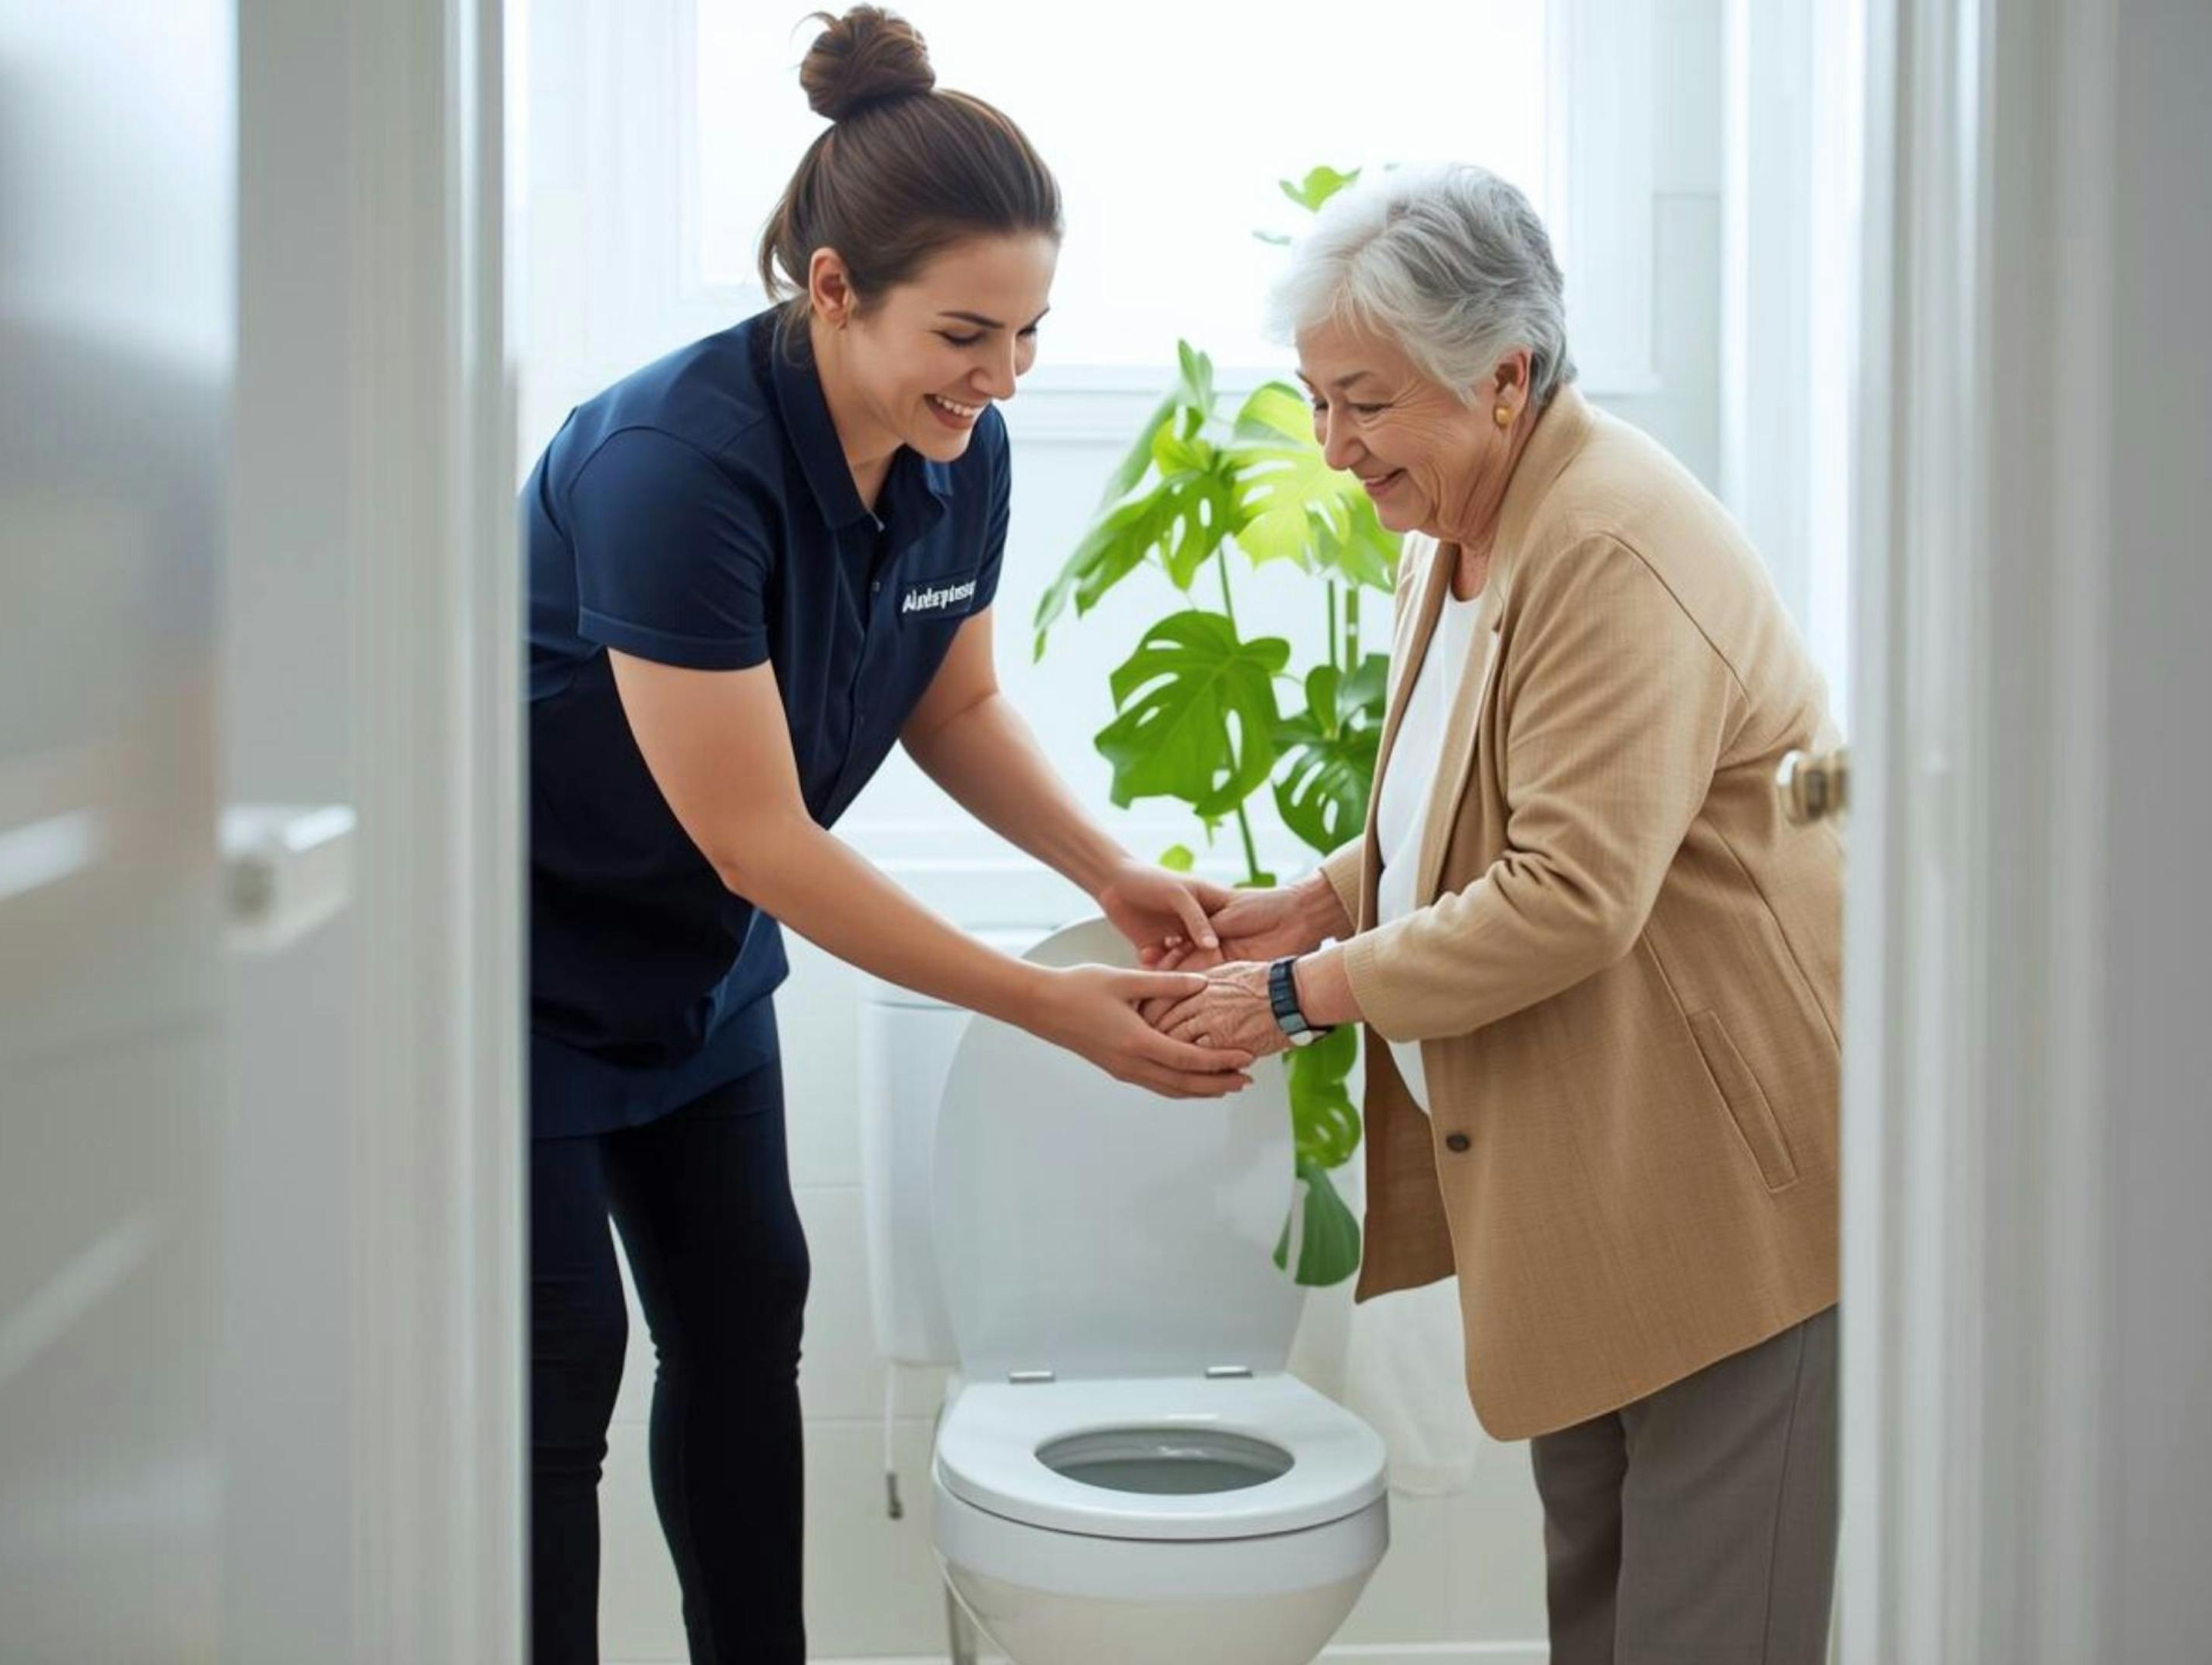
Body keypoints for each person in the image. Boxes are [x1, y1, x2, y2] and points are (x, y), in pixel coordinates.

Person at [518, 11, 1251, 1660]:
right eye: (969, 332)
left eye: (1034, 333)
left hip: (697, 982)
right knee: (559, 1375)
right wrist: (1046, 1002)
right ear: (833, 288)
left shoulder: (951, 452)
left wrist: (1109, 870)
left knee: (744, 1328)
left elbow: (954, 705)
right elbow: (761, 841)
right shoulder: (671, 465)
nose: (1002, 381)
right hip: (521, 974)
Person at [1153, 164, 1846, 1663]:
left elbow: (1571, 891)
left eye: (1363, 403)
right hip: (1592, 1173)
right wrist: (1309, 904)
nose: (1331, 448)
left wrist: (1300, 996)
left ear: (1504, 377)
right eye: (1315, 401)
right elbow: (1468, 806)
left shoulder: (1603, 545)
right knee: (1596, 1616)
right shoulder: (1467, 530)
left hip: (1724, 1196)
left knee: (1709, 1629)